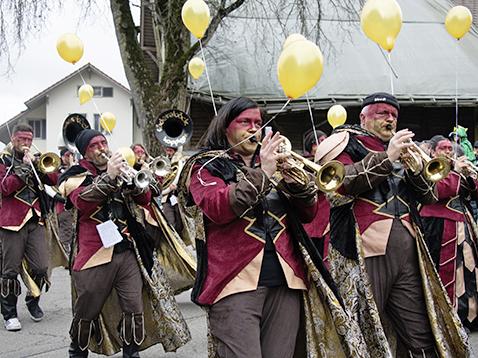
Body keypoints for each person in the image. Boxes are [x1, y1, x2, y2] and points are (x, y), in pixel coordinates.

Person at [178, 97, 368, 357]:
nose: (253, 128)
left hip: (286, 279)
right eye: (245, 122)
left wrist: (299, 187)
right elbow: (218, 207)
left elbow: (309, 215)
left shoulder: (273, 163)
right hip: (234, 282)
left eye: (258, 122)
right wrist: (264, 173)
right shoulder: (204, 166)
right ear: (225, 127)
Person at [316, 93, 470, 357]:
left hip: (409, 249)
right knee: (364, 328)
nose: (390, 119)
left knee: (421, 331)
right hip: (363, 249)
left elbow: (428, 195)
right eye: (382, 114)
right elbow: (338, 186)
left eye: (393, 115)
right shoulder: (344, 142)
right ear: (363, 117)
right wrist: (387, 158)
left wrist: (415, 170)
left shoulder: (405, 147)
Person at [59, 129, 190, 357]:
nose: (101, 148)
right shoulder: (75, 174)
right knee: (87, 310)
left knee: (133, 307)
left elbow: (146, 199)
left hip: (127, 249)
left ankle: (132, 353)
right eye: (94, 145)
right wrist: (109, 177)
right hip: (94, 251)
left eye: (103, 142)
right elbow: (82, 202)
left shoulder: (122, 169)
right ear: (84, 153)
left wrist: (134, 184)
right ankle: (77, 351)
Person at [0, 123, 57, 331]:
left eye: (29, 140)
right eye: (22, 139)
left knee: (41, 266)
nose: (26, 143)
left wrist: (38, 165)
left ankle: (32, 299)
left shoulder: (34, 158)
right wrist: (23, 169)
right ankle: (9, 313)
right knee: (10, 270)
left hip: (36, 218)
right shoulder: (3, 160)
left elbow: (53, 178)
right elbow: (4, 188)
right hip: (11, 221)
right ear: (13, 138)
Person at [421, 135, 478, 328]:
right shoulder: (426, 166)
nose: (447, 152)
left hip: (463, 224)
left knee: (468, 268)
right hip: (436, 225)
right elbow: (437, 192)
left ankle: (469, 314)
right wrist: (454, 172)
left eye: (449, 149)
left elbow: (470, 194)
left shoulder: (456, 167)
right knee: (443, 268)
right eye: (443, 148)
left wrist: (470, 176)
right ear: (433, 151)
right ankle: (448, 315)